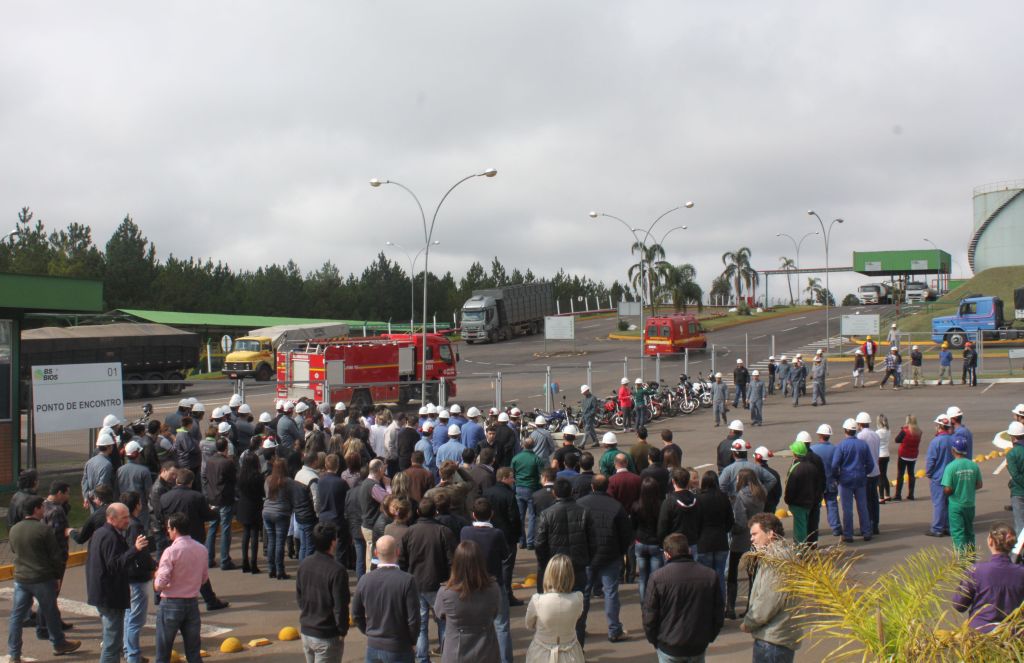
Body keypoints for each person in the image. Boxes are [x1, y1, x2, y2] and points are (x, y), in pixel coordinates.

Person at [7, 496, 82, 661]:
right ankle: (59, 643)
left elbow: (14, 550)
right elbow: (55, 556)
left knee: (16, 617)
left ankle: (14, 653)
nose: (43, 510)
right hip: (42, 577)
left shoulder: (14, 529)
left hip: (21, 578)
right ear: (35, 509)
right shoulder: (44, 530)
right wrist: (57, 576)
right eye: (41, 507)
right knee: (51, 612)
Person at [643, 532, 724, 663]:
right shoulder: (709, 575)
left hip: (669, 644)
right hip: (697, 645)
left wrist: (654, 640)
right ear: (689, 550)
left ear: (666, 554)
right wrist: (709, 636)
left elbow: (650, 614)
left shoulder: (657, 578)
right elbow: (718, 611)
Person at [535, 478, 596, 647]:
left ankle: (556, 650)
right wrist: (587, 560)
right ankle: (577, 651)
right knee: (578, 613)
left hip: (555, 570)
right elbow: (593, 541)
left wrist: (545, 563)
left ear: (554, 493)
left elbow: (539, 543)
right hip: (578, 567)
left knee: (553, 611)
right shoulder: (584, 512)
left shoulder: (547, 513)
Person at [86, 502, 149, 663]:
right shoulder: (110, 537)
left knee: (113, 641)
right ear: (112, 518)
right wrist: (135, 549)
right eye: (124, 518)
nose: (128, 521)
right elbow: (115, 565)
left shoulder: (100, 533)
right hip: (110, 595)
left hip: (102, 593)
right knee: (112, 644)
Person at [399, 498, 456, 663]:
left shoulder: (409, 532)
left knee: (421, 625)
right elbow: (452, 560)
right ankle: (446, 656)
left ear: (417, 512)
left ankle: (422, 658)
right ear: (436, 512)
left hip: (415, 583)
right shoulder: (444, 532)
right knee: (444, 622)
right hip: (439, 584)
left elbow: (402, 560)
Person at [741, 513, 803, 662]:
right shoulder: (785, 554)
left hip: (773, 639)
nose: (752, 538)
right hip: (780, 636)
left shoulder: (776, 560)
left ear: (770, 534)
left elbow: (768, 600)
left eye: (755, 534)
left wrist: (749, 623)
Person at [578, 474, 632, 643]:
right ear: (607, 487)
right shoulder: (616, 506)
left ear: (592, 487)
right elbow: (626, 534)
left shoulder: (580, 504)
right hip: (610, 555)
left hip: (587, 556)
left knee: (584, 594)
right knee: (611, 593)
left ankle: (580, 627)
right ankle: (614, 629)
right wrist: (620, 552)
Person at [353, 534, 420, 663]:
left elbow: (356, 614)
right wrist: (412, 641)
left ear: (376, 553)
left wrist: (369, 632)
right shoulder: (407, 580)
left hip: (373, 646)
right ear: (398, 552)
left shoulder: (365, 580)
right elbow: (414, 619)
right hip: (399, 646)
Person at [460, 498, 512, 663]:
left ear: (473, 515)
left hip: (471, 584)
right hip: (494, 583)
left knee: (473, 626)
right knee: (501, 625)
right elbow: (505, 555)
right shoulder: (497, 534)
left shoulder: (465, 532)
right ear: (492, 514)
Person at [433, 540, 501, 663]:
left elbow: (439, 614)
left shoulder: (445, 592)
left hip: (455, 652)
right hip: (487, 651)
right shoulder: (493, 588)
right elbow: (495, 613)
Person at [952, 523, 1024, 632]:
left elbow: (959, 605)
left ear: (990, 541)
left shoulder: (975, 571)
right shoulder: (1021, 572)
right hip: (1012, 634)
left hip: (980, 633)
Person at [296, 523, 350, 663]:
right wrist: (342, 630)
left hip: (307, 630)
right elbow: (341, 605)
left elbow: (300, 598)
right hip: (326, 634)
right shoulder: (337, 570)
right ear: (333, 542)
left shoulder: (304, 564)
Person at [524, 553, 585, 663]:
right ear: (571, 575)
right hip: (571, 653)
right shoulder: (578, 598)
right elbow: (578, 616)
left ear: (549, 574)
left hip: (541, 653)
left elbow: (529, 624)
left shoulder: (537, 600)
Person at [121, 491, 156, 663]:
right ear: (137, 506)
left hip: (127, 575)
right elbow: (140, 552)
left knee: (129, 615)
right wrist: (152, 565)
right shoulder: (135, 526)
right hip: (137, 576)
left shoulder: (124, 524)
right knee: (136, 618)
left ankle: (129, 651)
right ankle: (133, 656)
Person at [727, 470, 765, 619]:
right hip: (757, 536)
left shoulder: (740, 497)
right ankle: (752, 606)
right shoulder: (761, 494)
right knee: (753, 574)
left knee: (732, 572)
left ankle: (730, 607)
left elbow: (740, 520)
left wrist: (733, 529)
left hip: (741, 538)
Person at [484, 467, 524, 607]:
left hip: (489, 533)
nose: (513, 480)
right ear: (505, 478)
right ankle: (506, 595)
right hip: (507, 535)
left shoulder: (487, 493)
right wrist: (518, 534)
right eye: (511, 477)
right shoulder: (509, 495)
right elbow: (514, 517)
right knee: (507, 566)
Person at [832, 418, 874, 543]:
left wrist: (837, 477)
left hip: (846, 480)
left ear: (845, 430)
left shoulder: (841, 445)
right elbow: (871, 464)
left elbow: (834, 465)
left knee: (847, 509)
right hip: (860, 479)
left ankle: (848, 534)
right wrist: (864, 473)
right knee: (862, 506)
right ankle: (866, 532)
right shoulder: (863, 444)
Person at [696, 470, 734, 602]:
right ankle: (720, 606)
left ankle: (706, 606)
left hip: (703, 542)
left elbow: (696, 521)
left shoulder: (699, 499)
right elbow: (730, 521)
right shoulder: (724, 498)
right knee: (719, 576)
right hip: (721, 541)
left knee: (705, 577)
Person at [942, 436, 983, 555]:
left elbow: (948, 489)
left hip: (956, 505)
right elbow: (979, 484)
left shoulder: (951, 467)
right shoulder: (973, 465)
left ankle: (961, 561)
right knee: (969, 532)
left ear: (953, 450)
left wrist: (949, 491)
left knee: (958, 533)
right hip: (970, 504)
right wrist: (968, 487)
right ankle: (971, 558)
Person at [204, 437, 237, 569]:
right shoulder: (227, 463)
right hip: (224, 498)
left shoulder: (210, 461)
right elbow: (233, 479)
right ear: (226, 449)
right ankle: (224, 560)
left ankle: (209, 558)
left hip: (212, 498)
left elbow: (206, 477)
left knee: (212, 528)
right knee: (225, 529)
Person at [784, 440, 824, 544]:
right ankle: (806, 545)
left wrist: (788, 500)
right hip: (810, 502)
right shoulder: (812, 467)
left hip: (798, 504)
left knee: (800, 528)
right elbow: (818, 485)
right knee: (805, 524)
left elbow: (790, 488)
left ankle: (800, 549)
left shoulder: (795, 468)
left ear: (795, 453)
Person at [631, 476, 665, 602]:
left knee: (643, 578)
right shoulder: (661, 505)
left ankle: (643, 605)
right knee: (655, 578)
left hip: (640, 542)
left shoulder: (636, 506)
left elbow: (633, 525)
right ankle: (654, 604)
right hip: (656, 543)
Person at [263, 458, 295, 579]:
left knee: (271, 540)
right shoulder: (287, 481)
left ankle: (271, 569)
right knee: (280, 542)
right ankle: (280, 571)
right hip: (281, 513)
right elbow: (293, 497)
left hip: (267, 511)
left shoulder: (268, 480)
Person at [658, 467, 701, 558]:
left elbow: (663, 526)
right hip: (692, 542)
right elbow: (701, 521)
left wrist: (662, 545)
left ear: (673, 482)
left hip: (674, 545)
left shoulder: (669, 502)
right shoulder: (696, 499)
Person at [925, 414, 955, 537]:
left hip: (938, 477)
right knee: (949, 503)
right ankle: (948, 527)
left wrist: (929, 473)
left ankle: (937, 528)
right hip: (952, 478)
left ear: (939, 426)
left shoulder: (935, 442)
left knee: (939, 503)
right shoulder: (953, 440)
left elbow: (931, 461)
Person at [512, 437, 545, 550]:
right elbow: (542, 476)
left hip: (519, 488)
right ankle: (530, 542)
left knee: (520, 516)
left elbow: (513, 474)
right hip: (532, 489)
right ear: (534, 445)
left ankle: (522, 540)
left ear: (523, 445)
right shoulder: (537, 459)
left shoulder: (516, 458)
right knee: (532, 516)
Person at [236, 452, 265, 573]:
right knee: (254, 535)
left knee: (245, 534)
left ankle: (244, 562)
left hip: (243, 506)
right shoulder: (258, 477)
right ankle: (253, 563)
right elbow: (262, 493)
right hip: (255, 506)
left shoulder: (240, 476)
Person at [855, 411, 882, 536]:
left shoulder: (860, 437)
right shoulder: (875, 435)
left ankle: (866, 526)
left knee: (864, 501)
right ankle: (875, 524)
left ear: (860, 424)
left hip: (865, 472)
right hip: (876, 470)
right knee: (874, 499)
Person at [83, 431, 116, 511]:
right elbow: (102, 484)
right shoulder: (107, 464)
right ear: (108, 447)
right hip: (102, 500)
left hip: (92, 499)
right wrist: (94, 495)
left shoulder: (90, 461)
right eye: (111, 445)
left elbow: (84, 481)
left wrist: (86, 496)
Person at [892, 415, 922, 501]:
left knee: (900, 475)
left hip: (903, 455)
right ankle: (911, 494)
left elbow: (897, 440)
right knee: (911, 474)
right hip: (913, 456)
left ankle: (898, 494)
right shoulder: (919, 432)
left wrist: (902, 429)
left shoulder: (905, 431)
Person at [1006, 421, 1024, 534]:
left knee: (1020, 524)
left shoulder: (1012, 453)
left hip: (1018, 492)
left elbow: (1015, 475)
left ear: (1012, 437)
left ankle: (1020, 551)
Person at [754, 447, 782, 515]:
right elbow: (778, 492)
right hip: (770, 505)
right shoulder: (774, 473)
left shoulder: (752, 472)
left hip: (755, 506)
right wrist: (773, 504)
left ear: (756, 458)